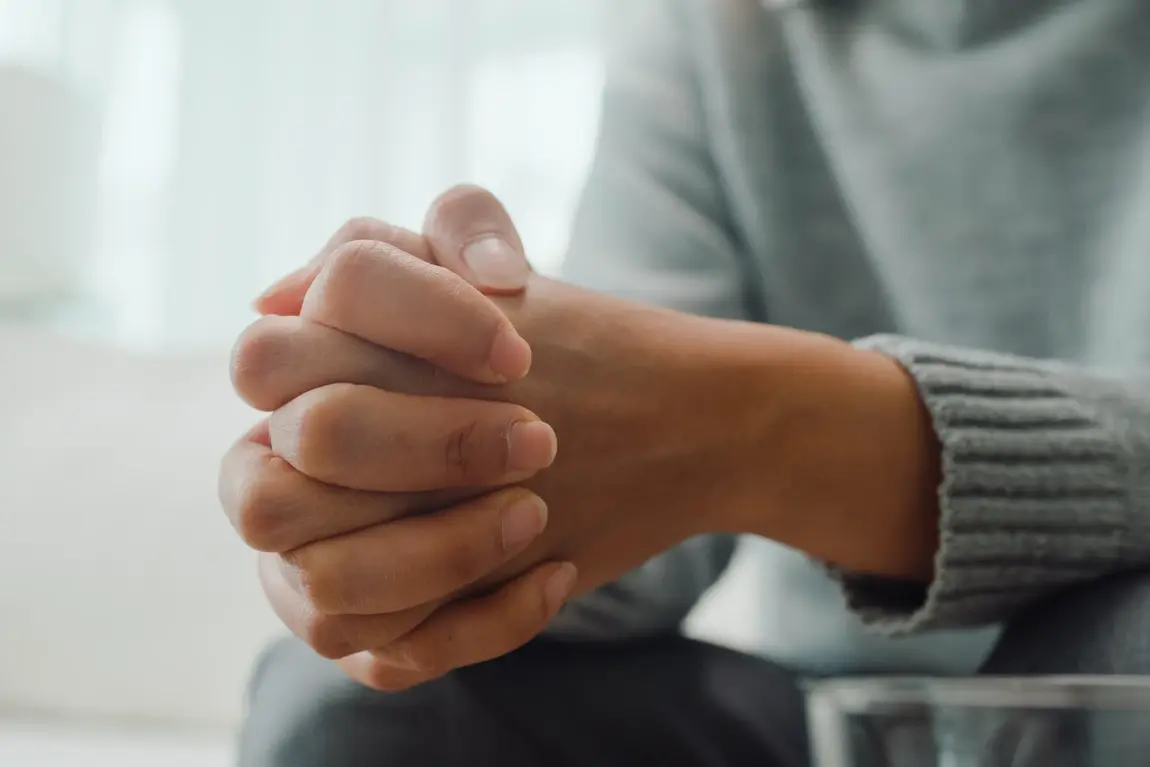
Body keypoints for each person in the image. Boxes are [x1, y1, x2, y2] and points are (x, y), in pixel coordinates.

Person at [219, 1, 1150, 765]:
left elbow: (695, 417)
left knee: (1117, 645)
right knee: (356, 713)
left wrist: (766, 429)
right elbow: (634, 489)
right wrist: (447, 497)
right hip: (836, 718)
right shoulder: (715, 33)